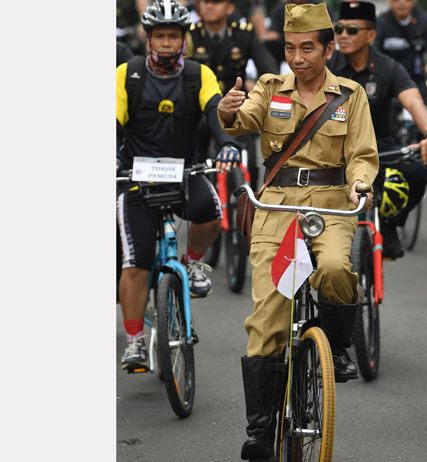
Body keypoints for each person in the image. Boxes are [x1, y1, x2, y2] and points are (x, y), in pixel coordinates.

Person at [217, 3, 378, 459]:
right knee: (267, 316)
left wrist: (359, 184)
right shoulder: (269, 87)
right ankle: (260, 433)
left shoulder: (350, 95)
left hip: (330, 206)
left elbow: (363, 154)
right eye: (290, 47)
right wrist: (228, 110)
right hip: (276, 207)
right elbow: (244, 119)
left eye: (308, 47)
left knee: (335, 269)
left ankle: (336, 346)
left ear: (329, 48)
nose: (298, 56)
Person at [116, 0, 242, 371]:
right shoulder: (127, 75)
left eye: (174, 35)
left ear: (184, 39)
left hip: (186, 171)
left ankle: (194, 263)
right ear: (148, 38)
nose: (167, 43)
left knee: (210, 212)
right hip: (136, 177)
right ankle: (135, 340)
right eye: (160, 36)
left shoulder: (198, 75)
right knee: (135, 263)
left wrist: (229, 143)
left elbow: (215, 111)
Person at [328, 0, 427, 259]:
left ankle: (389, 223)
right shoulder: (327, 66)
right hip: (333, 148)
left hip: (380, 146)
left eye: (352, 30)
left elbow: (414, 101)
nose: (344, 35)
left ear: (371, 35)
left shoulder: (389, 67)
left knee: (416, 171)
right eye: (340, 29)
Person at [188, 0, 278, 186]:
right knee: (196, 157)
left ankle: (250, 203)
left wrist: (259, 93)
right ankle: (199, 189)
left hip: (237, 105)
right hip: (201, 107)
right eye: (204, 2)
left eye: (215, 2)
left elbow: (268, 68)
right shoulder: (190, 33)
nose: (209, 6)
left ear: (230, 7)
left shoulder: (243, 33)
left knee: (251, 160)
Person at [374, 0, 427, 111]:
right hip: (387, 83)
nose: (402, 2)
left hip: (416, 81)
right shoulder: (379, 23)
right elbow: (372, 55)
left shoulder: (426, 21)